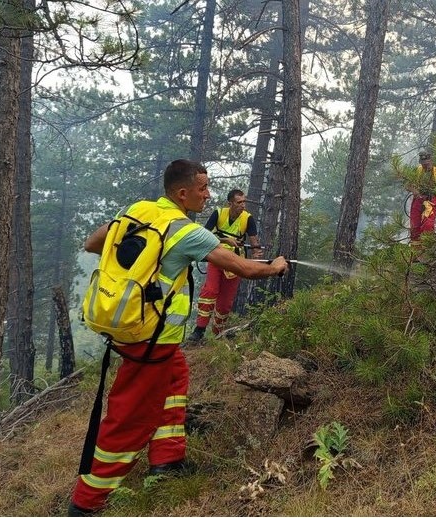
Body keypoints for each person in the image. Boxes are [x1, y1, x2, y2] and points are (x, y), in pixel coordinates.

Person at [68, 159, 288, 517]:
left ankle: (168, 461)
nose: (208, 194)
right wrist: (276, 266)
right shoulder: (187, 232)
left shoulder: (138, 211)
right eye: (202, 188)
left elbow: (93, 243)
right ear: (183, 193)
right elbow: (245, 268)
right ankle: (86, 502)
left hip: (143, 334)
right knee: (129, 419)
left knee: (176, 376)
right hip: (149, 341)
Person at [189, 189, 262, 341]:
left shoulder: (248, 218)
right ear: (230, 203)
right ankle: (199, 330)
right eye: (239, 202)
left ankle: (217, 335)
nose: (243, 205)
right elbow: (204, 235)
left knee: (225, 301)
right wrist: (224, 241)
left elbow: (254, 241)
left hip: (235, 263)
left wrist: (256, 255)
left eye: (244, 202)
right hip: (217, 258)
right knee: (210, 290)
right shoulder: (218, 213)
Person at [408, 150, 436, 242]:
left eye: (427, 164)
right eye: (423, 164)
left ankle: (428, 247)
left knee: (427, 224)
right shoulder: (418, 170)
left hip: (433, 199)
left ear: (431, 161)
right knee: (414, 225)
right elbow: (407, 185)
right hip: (419, 198)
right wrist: (414, 191)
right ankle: (416, 251)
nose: (425, 166)